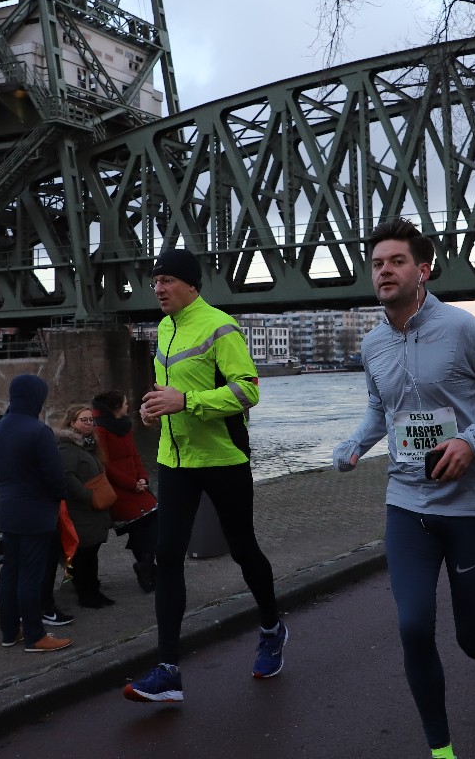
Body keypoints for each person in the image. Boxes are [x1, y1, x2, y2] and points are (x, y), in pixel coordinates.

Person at [333, 218, 475, 759]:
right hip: (407, 504)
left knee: (473, 640)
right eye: (377, 263)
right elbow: (380, 409)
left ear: (422, 270)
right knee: (413, 626)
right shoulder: (373, 342)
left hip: (470, 506)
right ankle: (440, 749)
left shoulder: (462, 328)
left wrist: (472, 441)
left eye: (396, 261)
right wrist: (355, 443)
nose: (384, 270)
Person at [124, 248, 284, 704]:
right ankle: (168, 671)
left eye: (168, 280)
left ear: (192, 285)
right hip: (175, 461)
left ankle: (271, 628)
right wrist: (153, 409)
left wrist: (187, 402)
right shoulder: (164, 328)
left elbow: (247, 390)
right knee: (167, 556)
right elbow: (169, 391)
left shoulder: (219, 326)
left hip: (222, 458)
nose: (158, 288)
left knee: (243, 549)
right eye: (155, 281)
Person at [0, 373, 71, 652]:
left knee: (10, 571)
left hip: (8, 510)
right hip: (36, 513)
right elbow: (55, 476)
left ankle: (10, 631)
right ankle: (35, 635)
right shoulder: (39, 431)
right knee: (31, 575)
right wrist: (57, 496)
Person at [92, 390, 158, 594]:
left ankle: (147, 566)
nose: (128, 406)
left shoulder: (124, 426)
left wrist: (143, 478)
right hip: (120, 492)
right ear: (115, 407)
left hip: (136, 487)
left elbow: (135, 455)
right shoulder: (100, 430)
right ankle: (148, 569)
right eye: (124, 403)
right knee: (142, 526)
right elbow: (106, 465)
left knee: (152, 524)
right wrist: (132, 484)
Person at [59, 405, 116, 608]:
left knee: (91, 553)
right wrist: (88, 497)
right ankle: (86, 594)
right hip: (81, 511)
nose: (89, 423)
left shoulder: (87, 445)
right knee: (83, 555)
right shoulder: (67, 447)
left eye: (91, 420)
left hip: (93, 512)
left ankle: (94, 591)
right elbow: (66, 477)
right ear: (71, 423)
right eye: (84, 420)